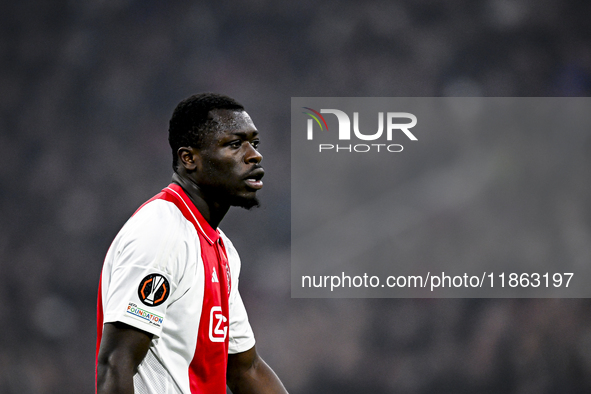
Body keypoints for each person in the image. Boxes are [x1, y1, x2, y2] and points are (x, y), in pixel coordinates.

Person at [95, 93, 288, 394]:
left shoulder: (220, 248)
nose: (254, 155)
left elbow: (244, 368)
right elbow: (116, 361)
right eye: (235, 144)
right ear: (189, 159)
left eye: (254, 143)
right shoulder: (160, 233)